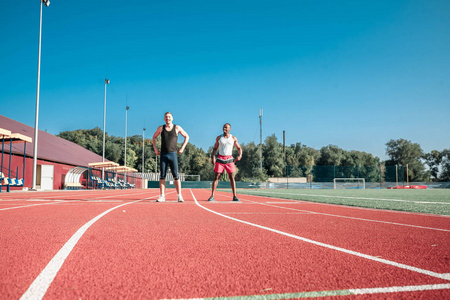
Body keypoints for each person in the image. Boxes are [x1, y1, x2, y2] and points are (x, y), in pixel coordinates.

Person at [152, 112, 189, 202]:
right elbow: (154, 137)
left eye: (169, 117)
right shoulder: (161, 128)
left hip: (172, 154)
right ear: (164, 119)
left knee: (176, 176)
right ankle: (162, 196)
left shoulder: (177, 127)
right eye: (166, 117)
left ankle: (179, 196)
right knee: (162, 176)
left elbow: (187, 137)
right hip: (163, 154)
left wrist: (182, 148)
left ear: (172, 118)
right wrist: (156, 149)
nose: (167, 118)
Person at [208, 123, 242, 202]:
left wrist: (240, 155)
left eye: (226, 128)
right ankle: (212, 195)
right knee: (216, 177)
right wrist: (213, 157)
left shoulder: (233, 138)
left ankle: (235, 196)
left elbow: (239, 148)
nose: (225, 129)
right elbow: (215, 148)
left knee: (231, 177)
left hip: (229, 159)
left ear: (230, 129)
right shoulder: (219, 138)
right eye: (224, 127)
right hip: (220, 159)